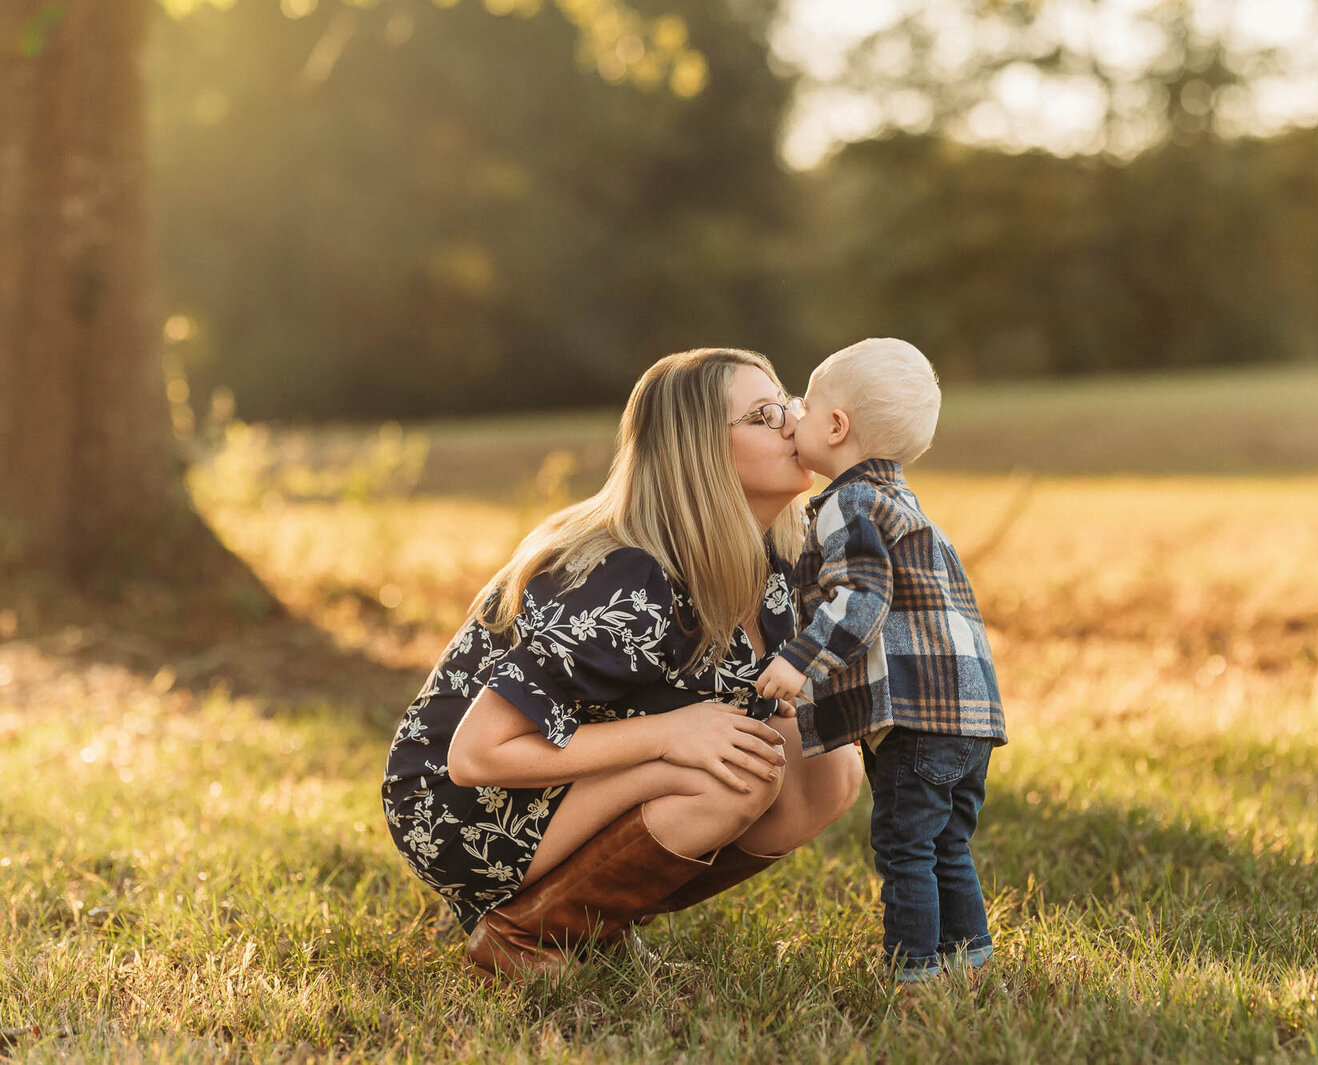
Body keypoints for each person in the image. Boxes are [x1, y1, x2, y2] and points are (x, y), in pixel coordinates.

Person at [382, 348, 863, 980]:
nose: (792, 423)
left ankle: (590, 923)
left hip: (565, 778)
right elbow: (474, 756)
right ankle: (520, 934)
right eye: (763, 414)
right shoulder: (630, 579)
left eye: (787, 404)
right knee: (737, 773)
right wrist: (672, 734)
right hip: (460, 806)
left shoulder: (771, 557)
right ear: (701, 454)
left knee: (824, 761)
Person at [754, 337, 1006, 984]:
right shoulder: (902, 501)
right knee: (945, 839)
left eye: (804, 407)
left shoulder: (848, 503)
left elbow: (861, 597)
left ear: (836, 426)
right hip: (969, 713)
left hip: (917, 717)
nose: (792, 417)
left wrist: (798, 661)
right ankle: (971, 955)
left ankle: (913, 970)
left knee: (902, 845)